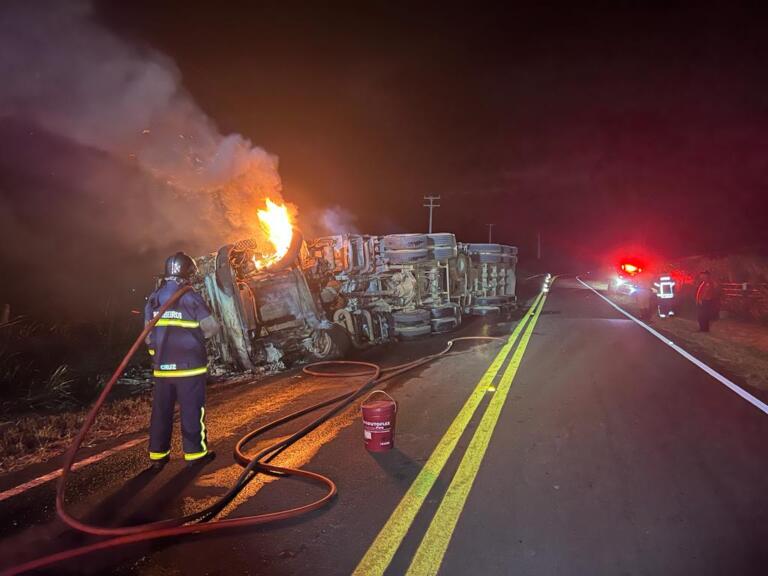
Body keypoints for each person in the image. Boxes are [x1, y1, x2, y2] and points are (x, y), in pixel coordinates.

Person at [144, 252, 220, 469]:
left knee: (161, 413)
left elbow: (148, 337)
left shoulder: (154, 298)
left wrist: (157, 357)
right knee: (192, 410)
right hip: (189, 369)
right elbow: (212, 328)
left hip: (162, 370)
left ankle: (157, 457)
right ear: (187, 273)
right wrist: (195, 339)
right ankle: (195, 456)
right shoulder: (190, 297)